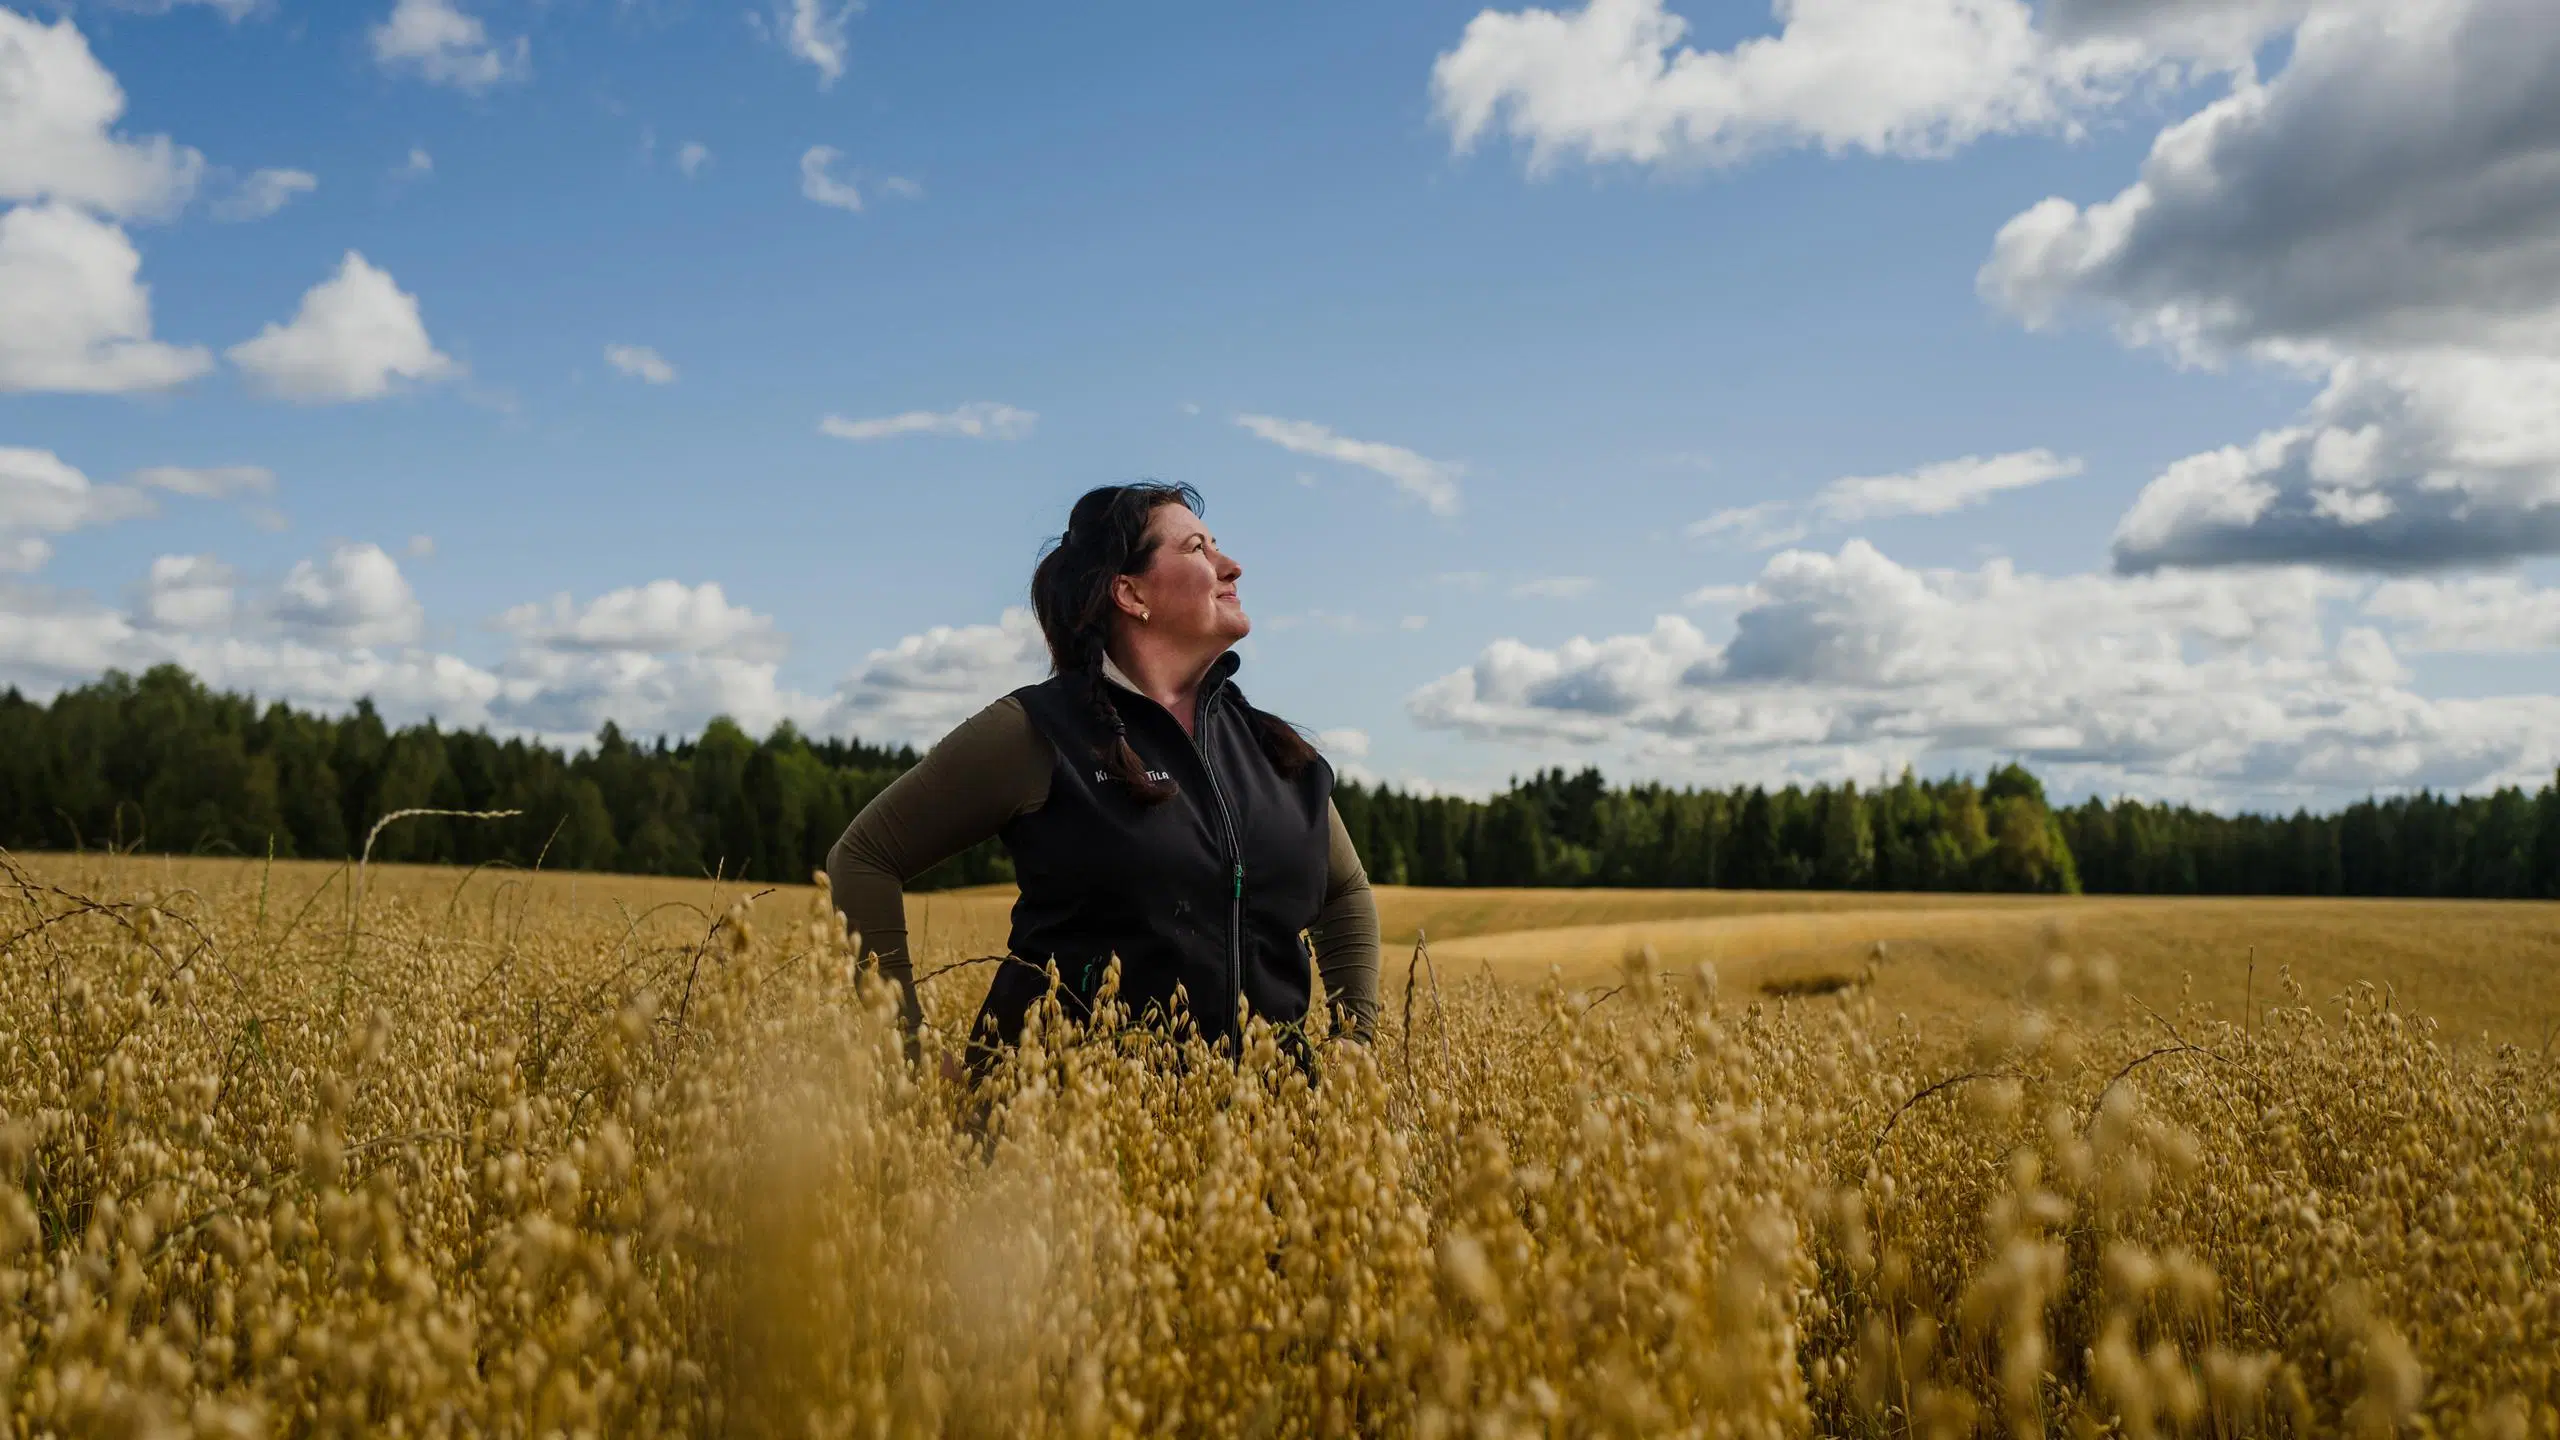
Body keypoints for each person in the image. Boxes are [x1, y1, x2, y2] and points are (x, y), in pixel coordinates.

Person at [825, 481, 1381, 1072]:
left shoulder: (1273, 749)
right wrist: (905, 1050)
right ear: (1130, 590)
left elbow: (1345, 892)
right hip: (1053, 1143)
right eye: (1198, 548)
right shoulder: (1038, 731)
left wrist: (1354, 1038)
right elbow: (862, 858)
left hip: (1257, 1143)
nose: (1231, 565)